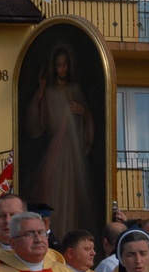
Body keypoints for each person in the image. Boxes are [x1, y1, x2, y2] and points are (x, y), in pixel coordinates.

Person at [25, 46, 96, 239]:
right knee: (52, 192)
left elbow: (87, 122)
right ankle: (52, 234)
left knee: (71, 196)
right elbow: (36, 124)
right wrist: (40, 91)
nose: (62, 69)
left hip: (72, 153)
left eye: (65, 64)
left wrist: (83, 112)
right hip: (54, 152)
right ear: (54, 67)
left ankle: (69, 235)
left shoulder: (75, 90)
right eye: (58, 65)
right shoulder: (48, 92)